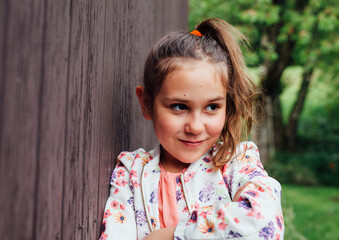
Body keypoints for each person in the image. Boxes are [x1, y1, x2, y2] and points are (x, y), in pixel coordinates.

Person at [99, 18, 284, 240]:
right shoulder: (130, 174)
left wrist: (173, 236)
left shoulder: (236, 162)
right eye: (179, 106)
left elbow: (266, 222)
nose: (195, 127)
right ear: (147, 103)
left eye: (212, 107)